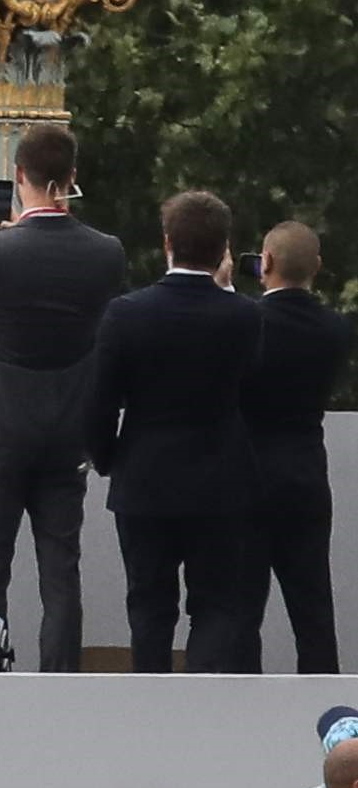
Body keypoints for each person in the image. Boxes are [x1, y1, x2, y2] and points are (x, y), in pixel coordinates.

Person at [0, 127, 133, 679]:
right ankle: (59, 680)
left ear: (21, 177)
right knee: (61, 571)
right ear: (71, 179)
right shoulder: (106, 253)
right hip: (68, 433)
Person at [99, 192, 267, 673]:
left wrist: (108, 456)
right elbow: (252, 387)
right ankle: (203, 703)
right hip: (220, 480)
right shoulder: (245, 316)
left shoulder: (125, 313)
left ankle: (152, 705)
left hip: (144, 476)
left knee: (149, 606)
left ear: (167, 242)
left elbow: (100, 399)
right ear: (224, 251)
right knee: (216, 606)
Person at [240, 224, 350, 680]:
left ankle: (241, 706)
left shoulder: (244, 321)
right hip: (305, 476)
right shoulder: (336, 329)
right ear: (318, 268)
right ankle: (327, 710)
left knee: (241, 610)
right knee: (313, 611)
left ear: (264, 263)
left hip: (246, 476)